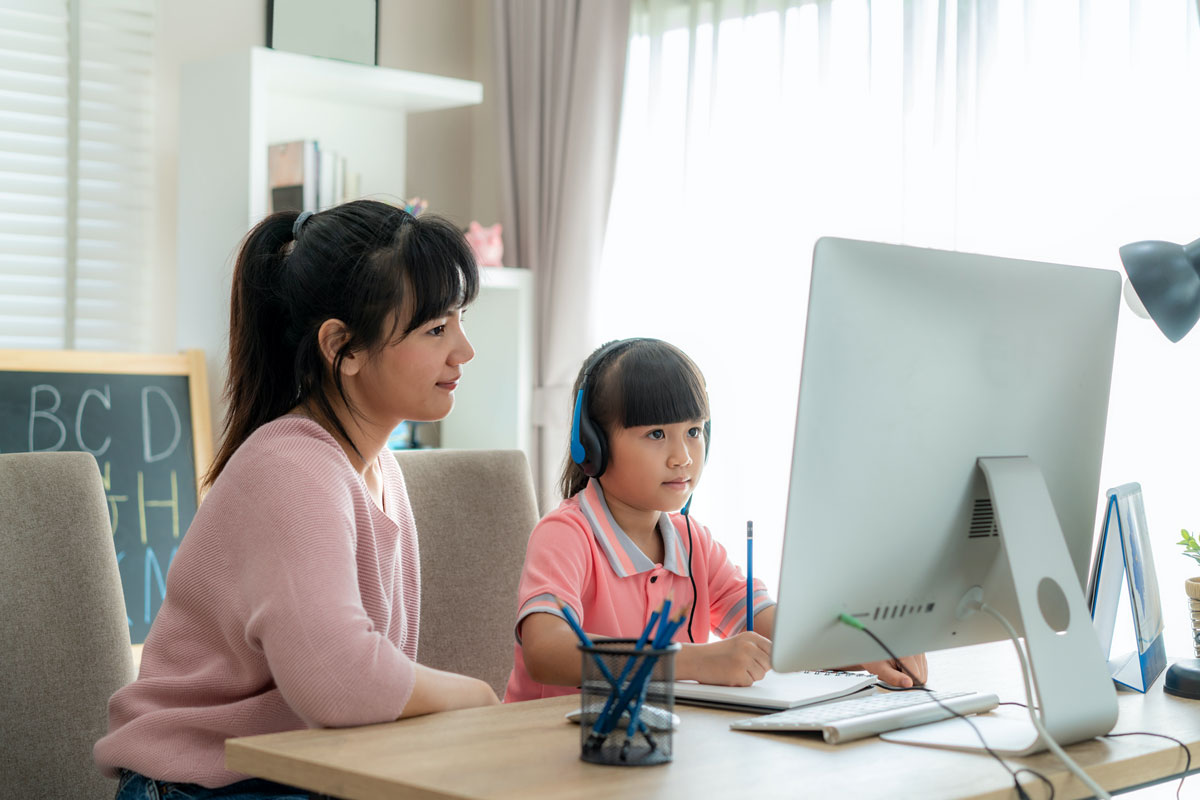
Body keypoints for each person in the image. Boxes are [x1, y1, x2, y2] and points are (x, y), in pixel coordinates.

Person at [95, 201, 500, 799]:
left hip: (293, 775)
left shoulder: (378, 466)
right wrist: (481, 696)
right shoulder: (291, 469)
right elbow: (339, 682)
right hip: (202, 787)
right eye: (436, 329)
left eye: (459, 320)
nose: (463, 350)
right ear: (344, 346)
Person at [504, 338, 927, 702]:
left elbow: (771, 625)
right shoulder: (567, 534)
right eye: (656, 434)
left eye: (694, 431)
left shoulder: (692, 542)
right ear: (591, 443)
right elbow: (548, 651)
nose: (683, 456)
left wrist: (858, 651)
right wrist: (697, 660)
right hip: (552, 754)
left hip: (652, 752)